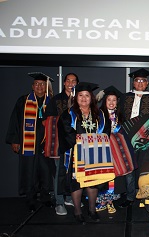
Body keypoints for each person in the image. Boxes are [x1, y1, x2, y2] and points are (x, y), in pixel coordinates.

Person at [58, 82, 113, 224]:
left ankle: (92, 210)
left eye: (87, 96)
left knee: (93, 182)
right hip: (76, 154)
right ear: (76, 98)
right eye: (80, 95)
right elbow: (66, 131)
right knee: (76, 182)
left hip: (95, 153)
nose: (83, 98)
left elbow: (106, 130)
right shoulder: (69, 114)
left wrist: (95, 141)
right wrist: (81, 141)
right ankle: (77, 211)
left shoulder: (100, 114)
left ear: (92, 98)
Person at [6, 72, 54, 212]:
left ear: (46, 87)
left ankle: (45, 197)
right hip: (28, 142)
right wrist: (14, 140)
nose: (39, 86)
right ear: (32, 86)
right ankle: (30, 198)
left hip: (44, 143)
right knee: (29, 171)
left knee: (45, 170)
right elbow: (14, 121)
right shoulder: (23, 101)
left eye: (42, 84)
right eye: (37, 84)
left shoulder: (51, 101)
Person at [118, 68, 149, 208]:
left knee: (145, 167)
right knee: (129, 167)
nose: (140, 83)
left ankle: (146, 196)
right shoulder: (125, 97)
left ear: (147, 83)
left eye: (143, 81)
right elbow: (120, 116)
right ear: (133, 82)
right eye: (137, 80)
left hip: (146, 139)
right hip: (127, 137)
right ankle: (130, 196)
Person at [96, 86, 136, 214]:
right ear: (104, 101)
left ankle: (126, 198)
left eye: (114, 100)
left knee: (128, 171)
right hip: (104, 148)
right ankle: (105, 200)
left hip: (121, 148)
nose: (112, 103)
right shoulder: (98, 116)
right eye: (109, 100)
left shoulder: (121, 116)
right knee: (106, 174)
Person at [43, 72, 79, 216]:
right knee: (59, 172)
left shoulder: (80, 99)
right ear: (64, 83)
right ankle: (59, 201)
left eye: (74, 81)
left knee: (72, 171)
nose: (71, 84)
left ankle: (69, 197)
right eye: (68, 81)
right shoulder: (56, 100)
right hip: (59, 142)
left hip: (74, 143)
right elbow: (47, 121)